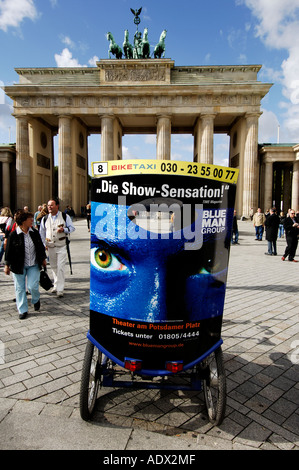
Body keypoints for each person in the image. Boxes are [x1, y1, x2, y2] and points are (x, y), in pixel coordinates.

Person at [4, 210, 47, 319]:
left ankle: (36, 299)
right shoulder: (14, 235)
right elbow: (8, 251)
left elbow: (40, 247)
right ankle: (22, 310)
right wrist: (7, 265)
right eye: (30, 219)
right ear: (23, 221)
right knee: (20, 288)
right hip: (18, 266)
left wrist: (43, 259)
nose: (32, 220)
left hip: (33, 264)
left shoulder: (34, 232)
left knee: (33, 286)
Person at [39, 198, 75, 297]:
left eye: (51, 205)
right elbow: (41, 233)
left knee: (61, 267)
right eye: (48, 205)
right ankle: (56, 284)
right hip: (50, 246)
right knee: (54, 267)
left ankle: (60, 289)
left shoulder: (64, 216)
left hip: (61, 245)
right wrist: (43, 244)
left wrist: (64, 229)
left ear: (57, 206)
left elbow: (72, 228)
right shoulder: (45, 218)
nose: (49, 207)